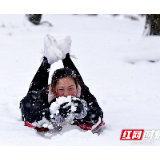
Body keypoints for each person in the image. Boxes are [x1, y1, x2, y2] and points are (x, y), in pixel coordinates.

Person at [20, 34, 105, 133]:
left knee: (72, 79)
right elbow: (32, 118)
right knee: (34, 90)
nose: (66, 93)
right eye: (61, 89)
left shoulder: (82, 89)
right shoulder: (46, 93)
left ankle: (66, 57)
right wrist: (53, 113)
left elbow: (98, 114)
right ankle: (47, 60)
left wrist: (83, 111)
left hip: (76, 86)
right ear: (54, 89)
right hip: (33, 100)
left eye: (70, 89)